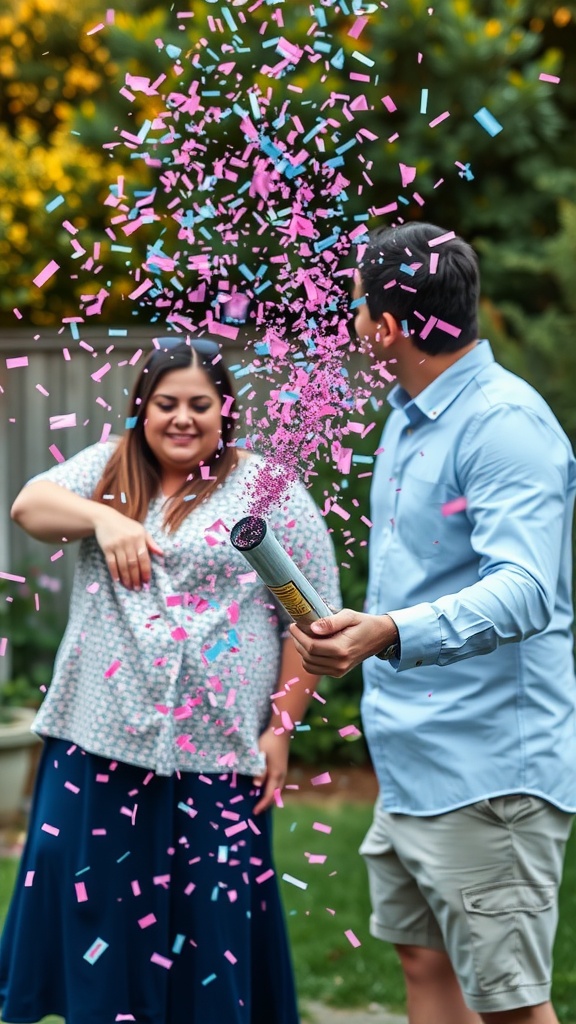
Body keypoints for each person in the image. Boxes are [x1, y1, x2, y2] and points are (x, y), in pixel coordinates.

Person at [0, 338, 340, 1024]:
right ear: (142, 408)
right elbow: (30, 507)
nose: (182, 419)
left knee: (208, 928)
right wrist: (103, 518)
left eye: (199, 404)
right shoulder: (111, 469)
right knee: (96, 915)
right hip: (99, 741)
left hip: (217, 748)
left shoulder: (265, 489)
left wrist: (280, 731)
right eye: (166, 404)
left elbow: (310, 618)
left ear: (225, 412)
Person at [291, 222, 576, 1024]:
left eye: (356, 308)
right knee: (424, 960)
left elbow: (525, 593)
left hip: (489, 770)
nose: (350, 322)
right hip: (415, 757)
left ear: (386, 327)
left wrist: (387, 631)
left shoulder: (504, 425)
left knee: (512, 1004)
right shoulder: (411, 415)